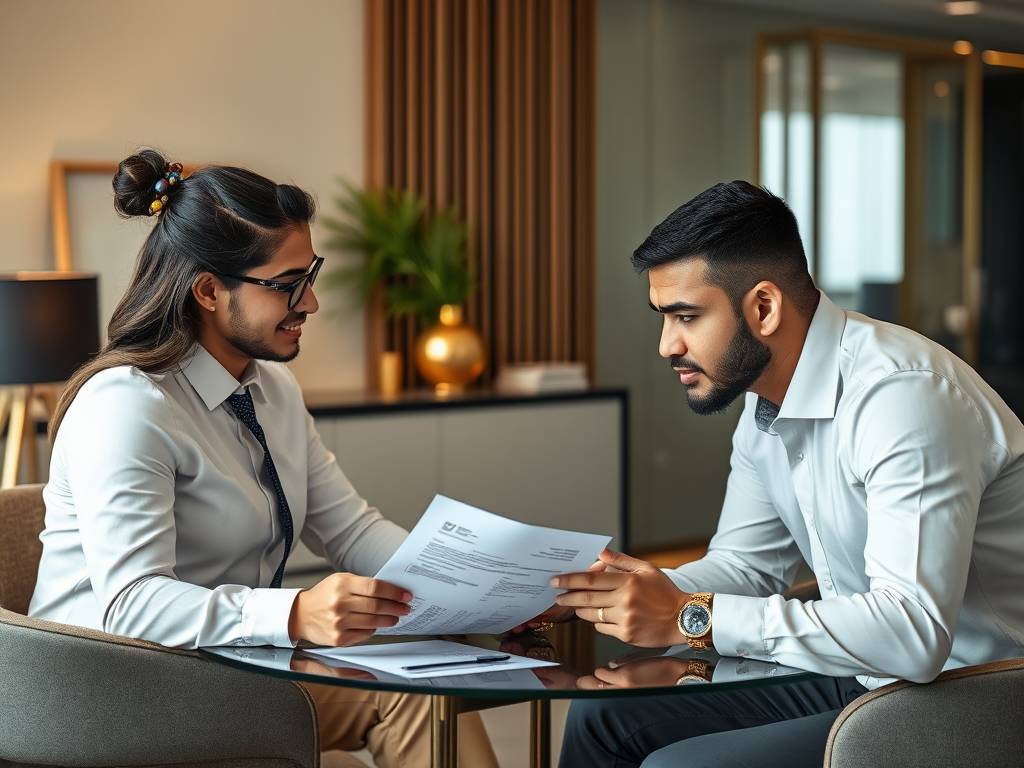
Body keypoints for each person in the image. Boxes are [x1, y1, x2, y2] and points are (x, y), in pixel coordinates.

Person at [29, 149, 498, 768]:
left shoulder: (272, 389)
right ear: (208, 291)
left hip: (220, 668)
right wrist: (299, 612)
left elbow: (351, 530)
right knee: (400, 692)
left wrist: (479, 592)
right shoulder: (126, 406)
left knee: (419, 687)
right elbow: (133, 602)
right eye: (286, 286)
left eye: (310, 275)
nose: (310, 304)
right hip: (108, 691)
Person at [546, 181, 1024, 767]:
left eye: (686, 316)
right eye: (663, 317)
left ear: (764, 308)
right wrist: (597, 595)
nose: (667, 344)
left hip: (981, 688)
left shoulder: (902, 397)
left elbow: (912, 633)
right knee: (602, 715)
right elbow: (746, 567)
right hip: (866, 672)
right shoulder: (763, 406)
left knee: (680, 767)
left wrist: (689, 615)